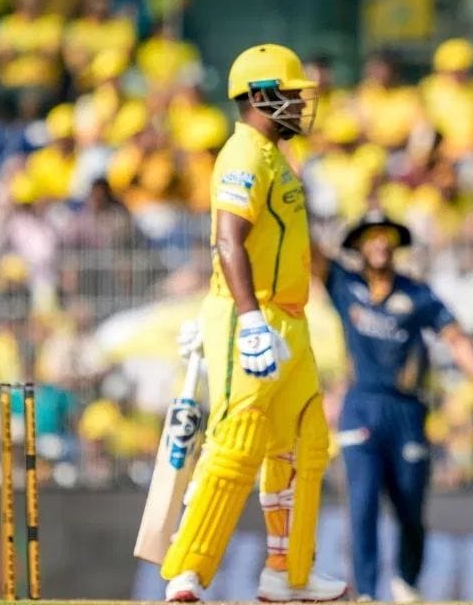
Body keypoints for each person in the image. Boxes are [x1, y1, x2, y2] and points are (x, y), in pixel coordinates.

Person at [160, 44, 346, 603]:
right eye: (291, 94)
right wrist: (247, 321)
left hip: (291, 318)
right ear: (262, 96)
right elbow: (227, 240)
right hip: (253, 315)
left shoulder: (275, 156)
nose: (300, 105)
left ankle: (288, 573)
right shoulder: (242, 154)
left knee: (305, 445)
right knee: (238, 441)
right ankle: (187, 572)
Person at [320, 210, 473, 602]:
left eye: (385, 235)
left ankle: (407, 583)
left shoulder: (416, 293)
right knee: (362, 505)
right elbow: (308, 252)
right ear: (358, 245)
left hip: (406, 411)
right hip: (360, 405)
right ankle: (365, 593)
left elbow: (455, 338)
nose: (379, 243)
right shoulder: (343, 283)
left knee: (410, 509)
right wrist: (289, 191)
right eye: (371, 236)